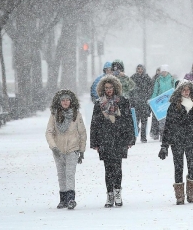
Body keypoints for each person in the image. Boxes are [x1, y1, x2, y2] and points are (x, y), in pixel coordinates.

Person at [158, 80, 193, 205]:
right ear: (179, 91)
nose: (186, 92)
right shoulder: (173, 107)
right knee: (178, 167)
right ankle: (179, 195)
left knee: (192, 167)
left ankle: (190, 192)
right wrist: (164, 146)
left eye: (188, 90)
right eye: (184, 90)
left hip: (191, 141)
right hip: (177, 141)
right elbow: (168, 127)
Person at [90, 75, 135, 208]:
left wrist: (129, 139)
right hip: (104, 139)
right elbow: (95, 124)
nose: (109, 90)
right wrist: (95, 142)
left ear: (115, 88)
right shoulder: (99, 104)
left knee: (117, 167)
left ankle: (118, 192)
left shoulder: (123, 102)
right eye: (106, 88)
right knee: (107, 168)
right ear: (103, 89)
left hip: (119, 138)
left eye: (110, 87)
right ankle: (109, 194)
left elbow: (128, 121)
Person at [46, 89, 87, 210]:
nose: (65, 102)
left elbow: (82, 133)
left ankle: (70, 198)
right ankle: (62, 199)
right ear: (59, 102)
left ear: (71, 101)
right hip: (58, 150)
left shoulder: (76, 115)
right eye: (63, 100)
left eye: (67, 100)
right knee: (61, 174)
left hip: (72, 149)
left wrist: (81, 150)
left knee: (70, 174)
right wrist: (53, 147)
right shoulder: (54, 115)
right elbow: (49, 132)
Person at [150, 64, 175, 140]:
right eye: (162, 71)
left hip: (169, 102)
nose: (163, 73)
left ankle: (170, 135)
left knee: (170, 119)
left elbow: (174, 89)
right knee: (162, 120)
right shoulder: (158, 80)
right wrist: (152, 100)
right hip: (161, 103)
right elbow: (155, 91)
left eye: (165, 71)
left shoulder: (172, 79)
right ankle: (162, 135)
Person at [130, 64, 153, 143]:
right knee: (135, 121)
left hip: (144, 103)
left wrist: (148, 97)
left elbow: (151, 89)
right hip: (135, 104)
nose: (139, 70)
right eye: (138, 69)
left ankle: (143, 137)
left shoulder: (147, 78)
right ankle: (134, 136)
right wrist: (132, 99)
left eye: (141, 69)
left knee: (144, 121)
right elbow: (130, 90)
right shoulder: (133, 78)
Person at [149, 67, 161, 140]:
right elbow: (151, 89)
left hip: (163, 100)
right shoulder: (153, 79)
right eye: (158, 70)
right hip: (155, 100)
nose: (159, 72)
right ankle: (155, 132)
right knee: (155, 117)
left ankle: (161, 133)